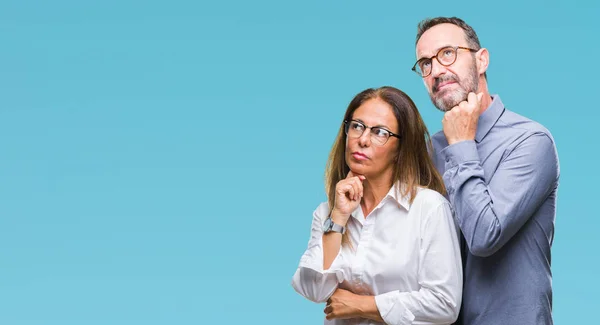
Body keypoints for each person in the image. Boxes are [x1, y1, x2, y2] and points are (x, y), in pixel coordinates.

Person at [411, 17, 560, 325]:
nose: (436, 70)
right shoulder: (428, 153)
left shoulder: (530, 141)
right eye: (425, 64)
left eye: (447, 53)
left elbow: (484, 236)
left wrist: (461, 143)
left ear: (481, 60)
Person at [291, 86, 463, 324]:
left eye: (380, 132)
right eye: (357, 126)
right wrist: (339, 217)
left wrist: (362, 305)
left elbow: (444, 304)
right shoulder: (328, 214)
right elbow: (314, 290)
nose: (362, 140)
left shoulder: (429, 208)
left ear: (400, 149)